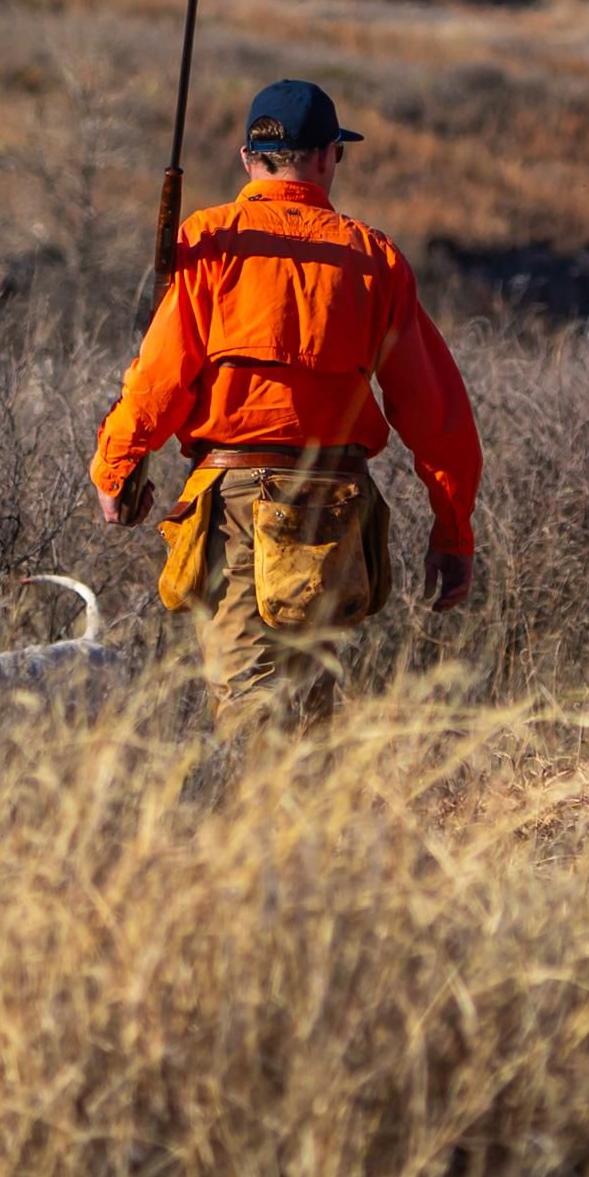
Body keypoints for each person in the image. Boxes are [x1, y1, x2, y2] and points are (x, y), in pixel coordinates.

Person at [91, 78, 481, 722]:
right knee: (308, 717)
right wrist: (453, 528)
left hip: (237, 507)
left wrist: (117, 464)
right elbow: (436, 413)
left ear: (248, 159)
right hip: (339, 514)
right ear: (328, 157)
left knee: (250, 719)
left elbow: (159, 376)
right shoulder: (375, 259)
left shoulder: (213, 241)